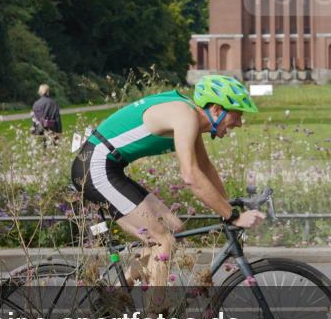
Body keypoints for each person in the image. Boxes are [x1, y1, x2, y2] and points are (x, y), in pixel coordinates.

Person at [70, 75, 265, 292]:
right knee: (164, 241)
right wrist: (233, 216)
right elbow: (190, 176)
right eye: (237, 115)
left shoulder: (192, 117)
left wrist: (227, 206)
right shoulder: (186, 117)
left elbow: (205, 168)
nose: (239, 122)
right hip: (94, 167)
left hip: (108, 167)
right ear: (217, 110)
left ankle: (115, 296)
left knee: (174, 227)